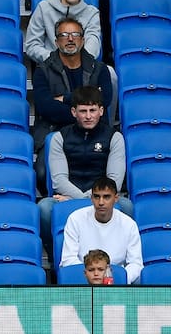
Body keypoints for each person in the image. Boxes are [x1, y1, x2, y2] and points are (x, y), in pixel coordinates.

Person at [40, 85, 127, 239]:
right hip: (68, 195)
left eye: (92, 110)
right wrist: (81, 199)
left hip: (101, 196)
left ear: (101, 111)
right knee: (45, 207)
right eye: (83, 111)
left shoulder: (115, 137)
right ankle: (55, 256)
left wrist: (90, 199)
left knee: (127, 206)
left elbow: (114, 181)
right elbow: (59, 180)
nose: (88, 116)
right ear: (74, 112)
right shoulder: (59, 138)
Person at [31, 17, 113, 158]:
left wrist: (66, 98)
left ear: (83, 40)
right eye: (64, 35)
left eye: (75, 34)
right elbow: (46, 107)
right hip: (55, 131)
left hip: (94, 133)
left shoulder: (99, 69)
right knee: (42, 173)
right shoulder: (42, 71)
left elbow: (104, 100)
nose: (70, 39)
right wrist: (86, 111)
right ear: (56, 42)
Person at [59, 177, 142, 284]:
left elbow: (136, 264)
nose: (101, 202)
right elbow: (68, 260)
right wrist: (93, 276)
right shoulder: (75, 219)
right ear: (91, 198)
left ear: (116, 198)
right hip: (84, 280)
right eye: (97, 197)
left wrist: (117, 279)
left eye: (106, 197)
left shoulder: (129, 224)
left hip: (116, 281)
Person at [24, 0, 102, 65]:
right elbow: (32, 45)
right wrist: (55, 59)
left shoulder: (92, 12)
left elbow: (93, 42)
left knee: (110, 73)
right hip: (51, 65)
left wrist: (77, 62)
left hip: (83, 65)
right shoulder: (43, 8)